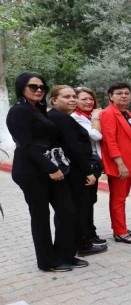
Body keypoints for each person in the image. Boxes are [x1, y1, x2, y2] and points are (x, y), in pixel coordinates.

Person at [7, 73, 78, 272]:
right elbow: (26, 144)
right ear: (22, 87)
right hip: (31, 170)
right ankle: (47, 262)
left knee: (67, 211)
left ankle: (65, 255)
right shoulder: (19, 111)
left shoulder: (37, 109)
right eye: (33, 86)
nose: (39, 90)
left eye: (42, 87)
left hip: (50, 169)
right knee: (40, 216)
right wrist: (52, 168)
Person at [48, 85, 105, 259]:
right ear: (54, 100)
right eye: (67, 97)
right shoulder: (62, 119)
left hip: (71, 170)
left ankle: (78, 244)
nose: (72, 100)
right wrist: (88, 171)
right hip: (74, 172)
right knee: (75, 211)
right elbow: (73, 148)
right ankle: (76, 247)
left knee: (76, 210)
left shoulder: (59, 117)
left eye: (73, 96)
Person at [100, 82, 131, 244]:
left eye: (126, 93)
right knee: (118, 199)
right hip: (121, 164)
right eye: (119, 93)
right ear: (111, 96)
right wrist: (120, 164)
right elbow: (110, 141)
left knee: (122, 197)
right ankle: (120, 232)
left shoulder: (127, 114)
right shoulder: (108, 113)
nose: (123, 96)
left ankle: (121, 227)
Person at [71, 86, 107, 246]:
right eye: (84, 99)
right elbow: (96, 135)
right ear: (75, 100)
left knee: (90, 201)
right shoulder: (75, 118)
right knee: (83, 202)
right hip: (84, 164)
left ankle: (91, 233)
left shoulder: (87, 117)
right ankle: (84, 237)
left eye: (91, 99)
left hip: (95, 163)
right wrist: (96, 118)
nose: (88, 102)